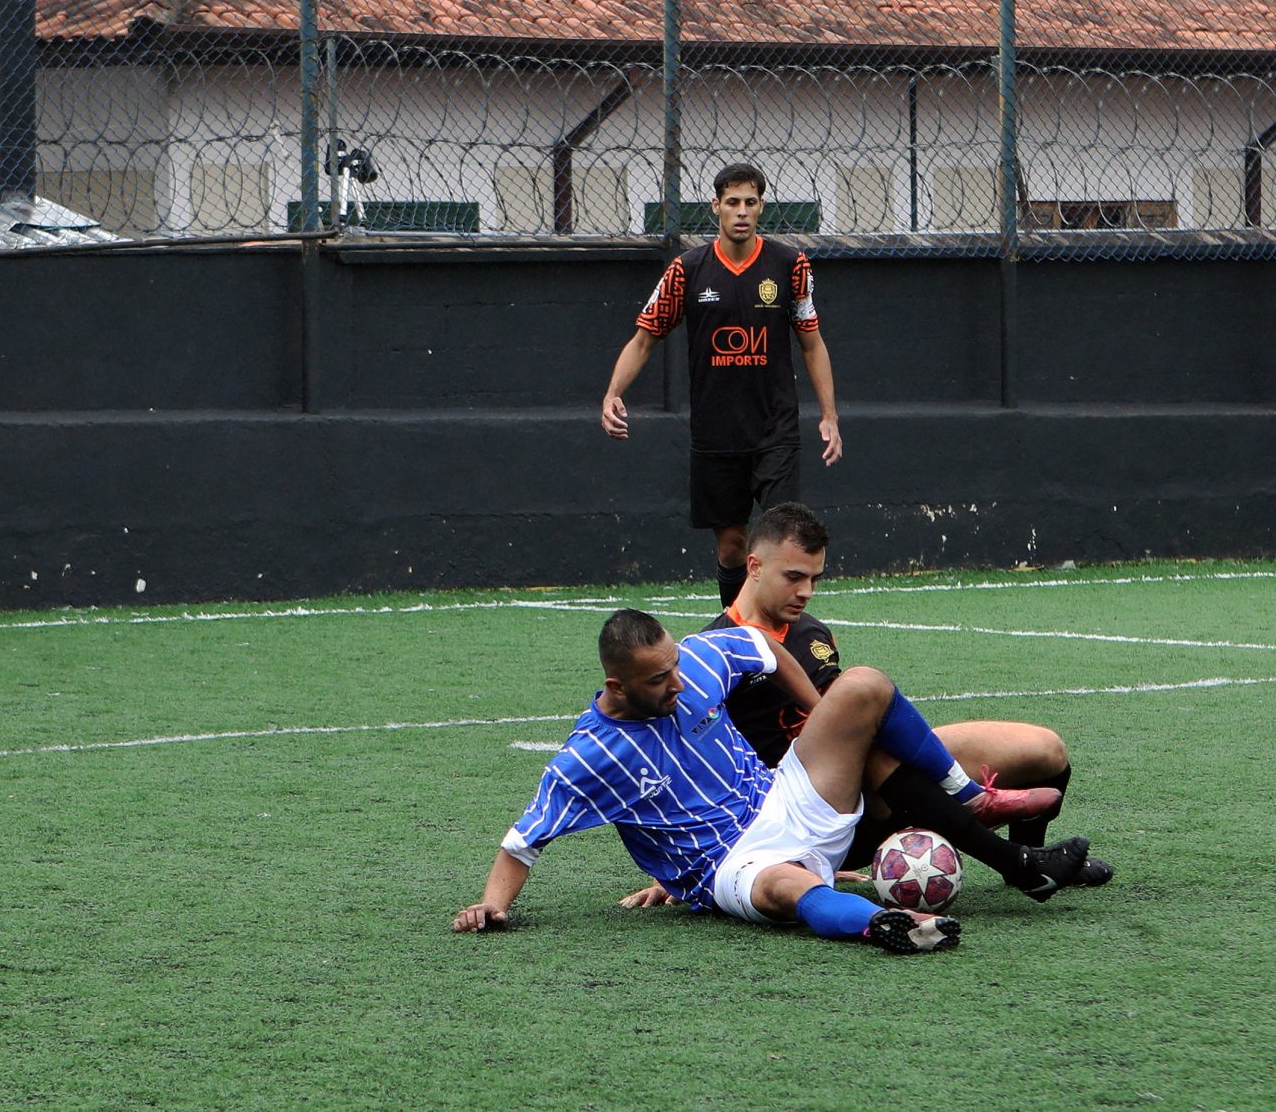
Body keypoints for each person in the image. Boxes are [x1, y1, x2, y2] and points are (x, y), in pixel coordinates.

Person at [449, 609, 1110, 953]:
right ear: (618, 685)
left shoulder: (697, 662)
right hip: (731, 863)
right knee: (785, 887)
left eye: (676, 666)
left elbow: (764, 649)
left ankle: (977, 805)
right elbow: (522, 842)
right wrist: (494, 904)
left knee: (865, 686)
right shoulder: (589, 755)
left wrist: (825, 730)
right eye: (659, 680)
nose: (678, 683)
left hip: (783, 793)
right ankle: (885, 925)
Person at [705, 502, 1073, 845]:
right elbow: (695, 768)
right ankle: (1003, 847)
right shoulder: (711, 652)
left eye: (815, 579)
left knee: (1046, 751)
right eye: (794, 577)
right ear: (754, 566)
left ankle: (1030, 854)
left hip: (876, 770)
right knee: (876, 750)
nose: (806, 592)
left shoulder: (811, 632)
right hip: (808, 807)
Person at [601, 162, 842, 608]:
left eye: (750, 202)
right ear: (716, 207)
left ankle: (780, 635)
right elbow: (644, 339)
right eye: (732, 202)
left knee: (784, 539)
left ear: (761, 207)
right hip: (716, 431)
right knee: (732, 544)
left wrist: (830, 416)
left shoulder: (790, 266)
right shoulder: (686, 270)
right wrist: (613, 393)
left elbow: (812, 344)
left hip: (775, 429)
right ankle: (736, 628)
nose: (742, 211)